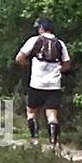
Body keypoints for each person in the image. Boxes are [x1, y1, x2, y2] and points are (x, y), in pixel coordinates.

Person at [14, 17, 70, 147]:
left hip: (36, 83)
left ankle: (34, 139)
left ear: (40, 28)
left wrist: (28, 64)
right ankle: (53, 142)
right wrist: (57, 70)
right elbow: (67, 64)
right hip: (54, 84)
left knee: (31, 111)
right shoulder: (60, 43)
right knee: (52, 114)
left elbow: (19, 58)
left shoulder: (34, 40)